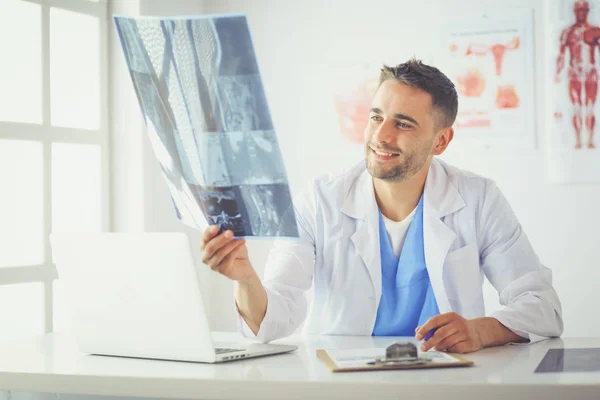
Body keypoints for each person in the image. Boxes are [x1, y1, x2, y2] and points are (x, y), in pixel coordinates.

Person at [200, 58, 563, 354]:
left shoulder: (478, 199)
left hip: (450, 384)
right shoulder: (320, 201)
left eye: (403, 124)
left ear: (441, 141)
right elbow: (276, 316)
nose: (381, 136)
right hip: (345, 387)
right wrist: (245, 279)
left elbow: (543, 307)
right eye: (376, 116)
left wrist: (480, 331)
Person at [555, 0, 598, 149]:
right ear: (574, 11)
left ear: (588, 11)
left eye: (584, 10)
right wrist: (557, 73)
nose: (581, 13)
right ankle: (578, 140)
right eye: (578, 10)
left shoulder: (596, 31)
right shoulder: (567, 32)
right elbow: (561, 55)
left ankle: (591, 139)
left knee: (590, 107)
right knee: (576, 107)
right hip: (574, 72)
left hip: (591, 72)